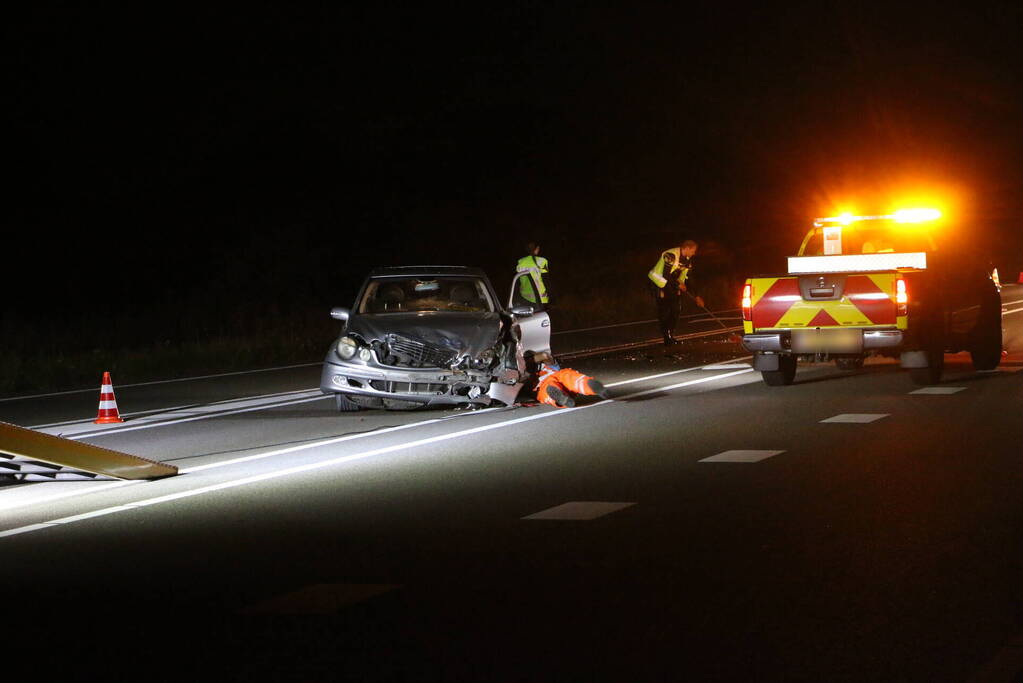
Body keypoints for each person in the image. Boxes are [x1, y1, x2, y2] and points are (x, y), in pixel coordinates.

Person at [647, 240, 704, 345]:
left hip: (672, 283)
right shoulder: (670, 255)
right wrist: (678, 285)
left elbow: (690, 278)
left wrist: (697, 296)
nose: (694, 253)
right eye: (693, 250)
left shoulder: (687, 260)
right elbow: (666, 275)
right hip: (658, 283)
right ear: (686, 248)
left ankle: (670, 335)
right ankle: (667, 337)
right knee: (664, 310)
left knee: (676, 309)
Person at [523, 351, 608, 408]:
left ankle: (592, 386)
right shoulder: (525, 377)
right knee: (547, 390)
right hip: (543, 387)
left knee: (569, 376)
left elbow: (544, 355)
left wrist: (527, 360)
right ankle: (563, 399)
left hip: (560, 378)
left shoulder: (547, 366)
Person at [516, 241, 550, 306]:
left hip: (525, 298)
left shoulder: (520, 262)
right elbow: (546, 281)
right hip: (541, 299)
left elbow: (518, 281)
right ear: (537, 249)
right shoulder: (542, 261)